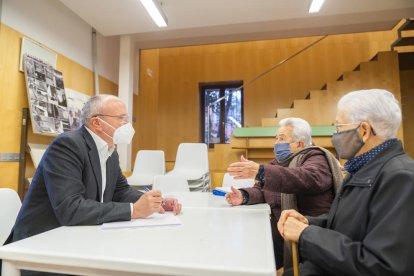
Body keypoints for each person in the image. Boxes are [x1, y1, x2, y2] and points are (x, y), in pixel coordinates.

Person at [2, 95, 181, 275]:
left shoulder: (110, 151)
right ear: (97, 123)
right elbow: (70, 209)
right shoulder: (67, 145)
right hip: (39, 249)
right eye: (121, 118)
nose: (127, 125)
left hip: (79, 238)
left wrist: (157, 202)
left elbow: (121, 191)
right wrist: (134, 210)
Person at [278, 89, 414, 276]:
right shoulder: (361, 168)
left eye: (338, 127)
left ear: (364, 130)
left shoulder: (401, 178)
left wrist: (306, 235)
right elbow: (347, 226)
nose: (335, 135)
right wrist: (309, 223)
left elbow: (381, 267)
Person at [226, 117, 342, 274]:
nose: (276, 143)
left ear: (299, 144)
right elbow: (262, 190)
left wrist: (261, 171)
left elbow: (304, 178)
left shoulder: (316, 158)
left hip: (310, 237)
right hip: (281, 232)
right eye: (276, 138)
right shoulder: (279, 163)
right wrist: (244, 195)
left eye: (282, 139)